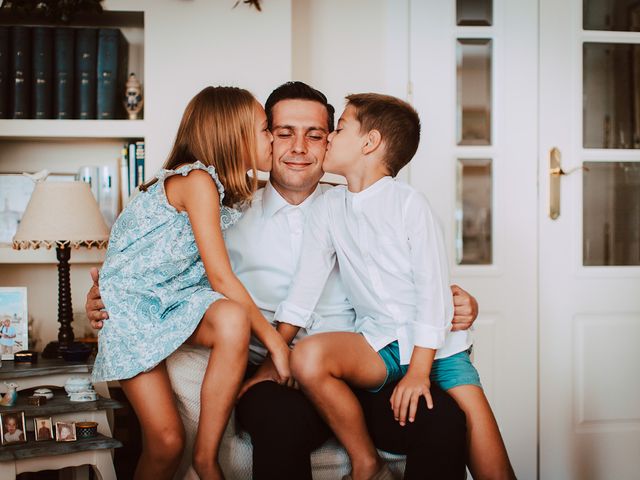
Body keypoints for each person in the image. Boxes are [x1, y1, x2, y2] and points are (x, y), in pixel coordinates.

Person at [87, 81, 477, 479]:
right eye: (284, 133)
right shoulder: (225, 212)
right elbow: (164, 271)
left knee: (441, 419)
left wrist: (462, 302)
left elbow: (414, 279)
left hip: (362, 363)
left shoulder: (362, 206)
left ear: (332, 143)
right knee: (278, 419)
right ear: (265, 139)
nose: (299, 148)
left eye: (316, 135)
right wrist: (106, 298)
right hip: (277, 374)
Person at [276, 93, 515, 480]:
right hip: (379, 344)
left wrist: (419, 373)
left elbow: (433, 293)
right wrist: (275, 350)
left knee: (491, 462)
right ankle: (365, 460)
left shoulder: (410, 205)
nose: (330, 139)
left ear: (369, 143)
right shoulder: (328, 208)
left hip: (440, 351)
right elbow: (304, 289)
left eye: (338, 129)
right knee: (308, 357)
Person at [91, 86, 289, 480]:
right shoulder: (196, 180)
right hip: (132, 313)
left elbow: (292, 187)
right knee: (165, 443)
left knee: (232, 318)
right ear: (233, 136)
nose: (272, 138)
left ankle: (206, 456)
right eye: (265, 129)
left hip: (172, 302)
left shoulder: (220, 189)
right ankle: (195, 457)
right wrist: (275, 342)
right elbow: (219, 275)